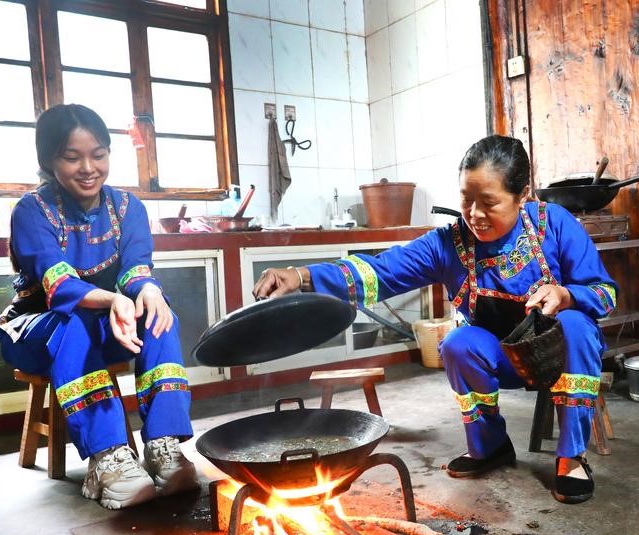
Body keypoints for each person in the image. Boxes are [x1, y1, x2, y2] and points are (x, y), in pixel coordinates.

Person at [253, 135, 617, 504]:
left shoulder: (553, 224)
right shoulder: (448, 243)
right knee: (457, 343)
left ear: (522, 195)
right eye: (466, 200)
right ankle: (490, 447)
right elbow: (380, 271)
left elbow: (605, 293)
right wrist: (301, 276)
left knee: (576, 327)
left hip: (559, 356)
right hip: (502, 360)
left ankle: (571, 458)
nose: (474, 214)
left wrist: (567, 295)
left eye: (489, 202)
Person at [0, 104, 197, 510]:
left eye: (98, 155)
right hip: (38, 330)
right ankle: (108, 457)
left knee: (160, 313)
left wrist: (148, 290)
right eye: (72, 157)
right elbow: (59, 282)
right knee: (76, 322)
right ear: (49, 159)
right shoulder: (31, 210)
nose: (88, 168)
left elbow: (135, 268)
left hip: (105, 324)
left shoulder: (128, 207)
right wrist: (115, 299)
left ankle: (164, 445)